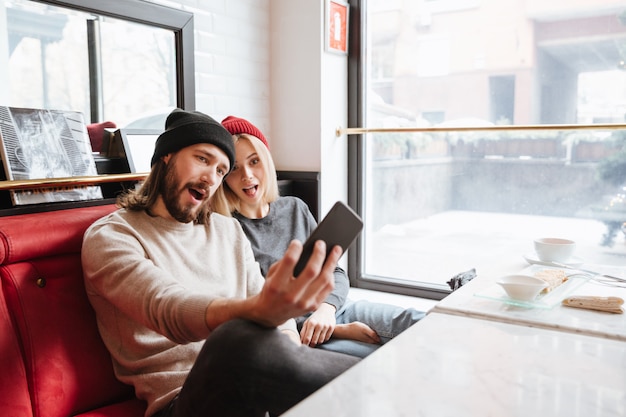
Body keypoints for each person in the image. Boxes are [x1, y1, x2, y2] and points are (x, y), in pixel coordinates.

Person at [81, 108, 360, 417]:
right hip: (183, 401)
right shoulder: (112, 236)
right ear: (166, 156)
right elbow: (168, 308)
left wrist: (286, 336)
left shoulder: (226, 229)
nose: (210, 177)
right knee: (234, 338)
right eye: (202, 159)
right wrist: (255, 310)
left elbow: (280, 327)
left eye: (220, 171)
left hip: (256, 388)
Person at [216, 115, 426, 358]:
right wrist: (338, 331)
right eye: (234, 168)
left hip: (335, 309)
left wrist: (326, 311)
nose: (247, 175)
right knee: (377, 358)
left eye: (254, 161)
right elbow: (257, 312)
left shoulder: (294, 208)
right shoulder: (228, 230)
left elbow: (334, 272)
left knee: (415, 319)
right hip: (299, 335)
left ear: (266, 160)